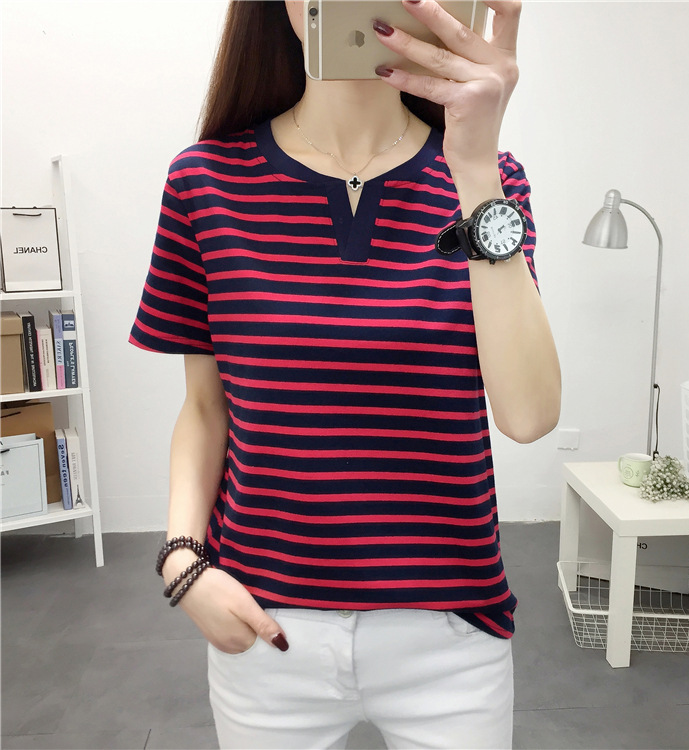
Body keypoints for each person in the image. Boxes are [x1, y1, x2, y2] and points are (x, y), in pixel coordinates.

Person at [129, 1, 561, 748]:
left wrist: (475, 168)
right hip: (265, 626)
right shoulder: (205, 181)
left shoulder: (490, 182)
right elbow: (205, 408)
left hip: (449, 636)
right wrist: (183, 561)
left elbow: (528, 417)